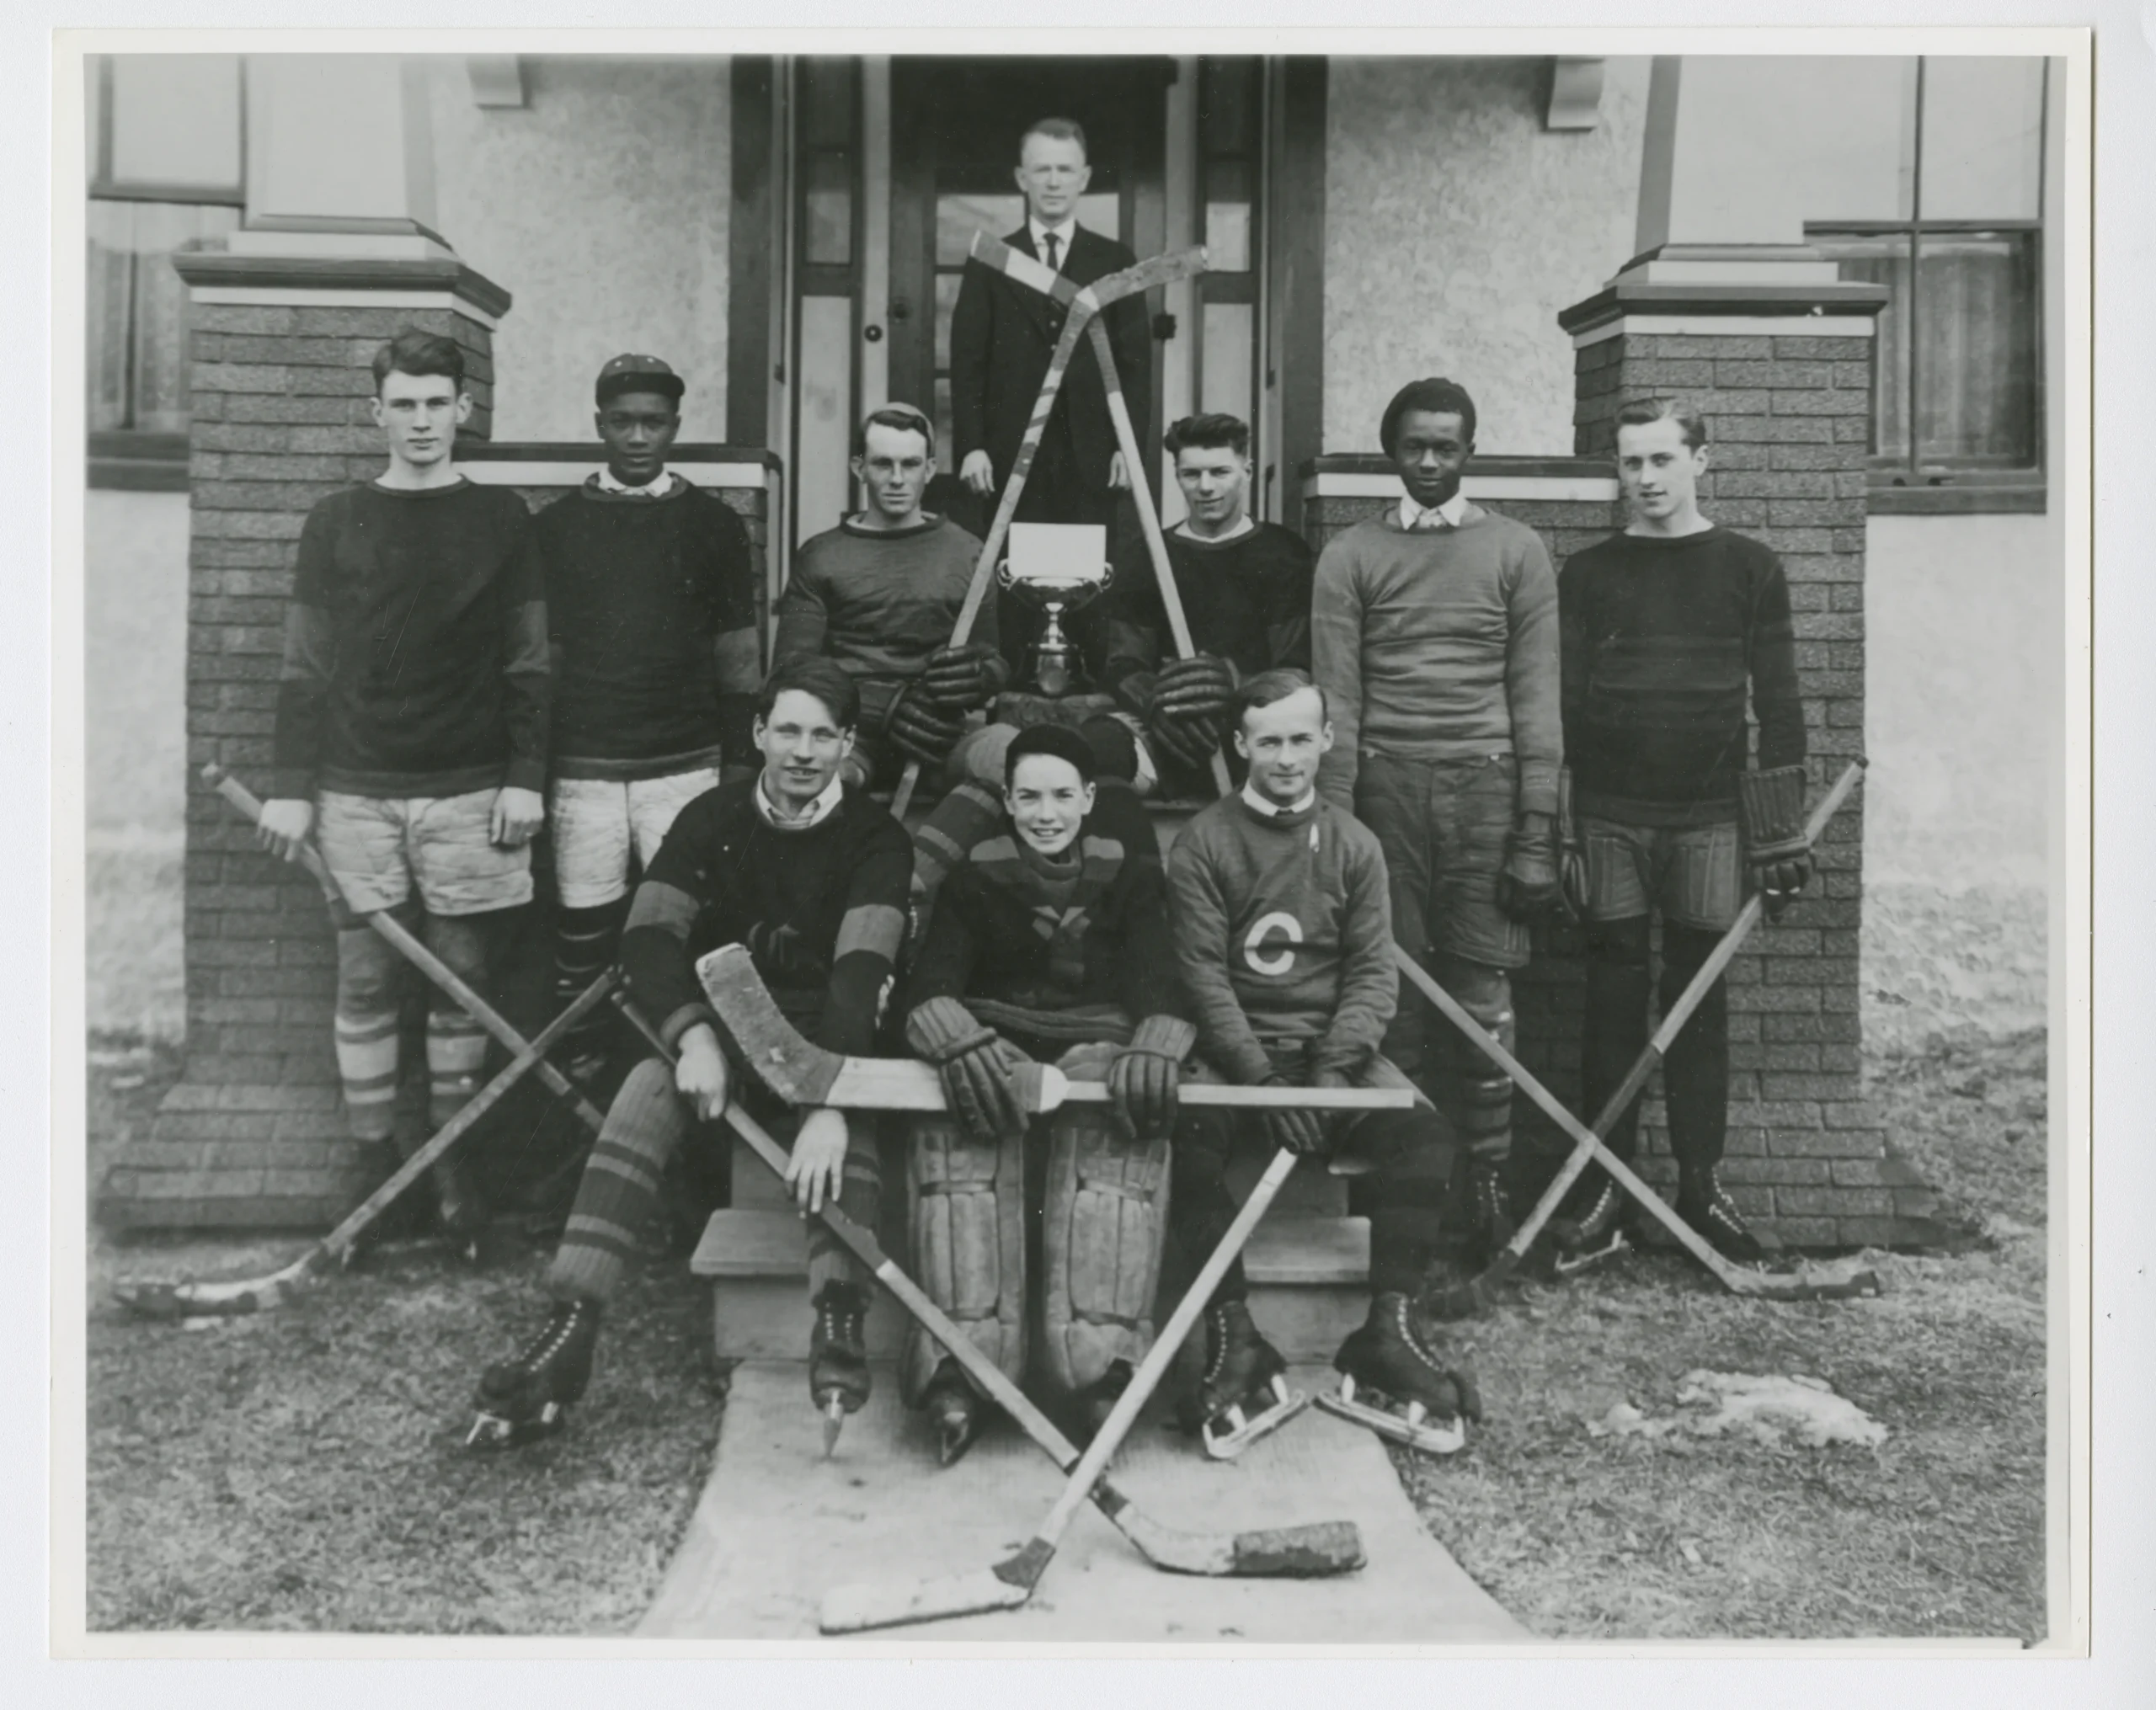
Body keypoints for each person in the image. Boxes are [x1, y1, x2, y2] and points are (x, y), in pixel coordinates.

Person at [467, 659, 912, 1447]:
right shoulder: (713, 815)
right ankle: (569, 1328)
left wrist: (827, 1103)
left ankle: (838, 1323)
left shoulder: (876, 837)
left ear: (846, 744)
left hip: (830, 1036)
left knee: (854, 1116)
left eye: (821, 735)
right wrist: (690, 1031)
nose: (802, 752)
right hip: (732, 1024)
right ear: (758, 733)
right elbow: (646, 933)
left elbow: (859, 974)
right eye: (787, 730)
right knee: (647, 1082)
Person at [256, 328, 549, 1252]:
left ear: (463, 410)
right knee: (369, 977)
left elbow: (533, 662)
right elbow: (304, 664)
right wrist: (291, 787)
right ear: (375, 410)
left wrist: (526, 776)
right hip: (357, 790)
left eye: (437, 403)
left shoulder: (504, 521)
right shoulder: (335, 520)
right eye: (404, 404)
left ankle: (453, 1163)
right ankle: (380, 1168)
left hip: (469, 790)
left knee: (462, 976)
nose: (421, 421)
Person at [1166, 671, 1479, 1453]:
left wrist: (1334, 1076)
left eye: (1301, 738)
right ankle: (1234, 1335)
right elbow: (1203, 976)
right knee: (1182, 1142)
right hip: (1238, 1059)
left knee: (1426, 1138)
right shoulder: (1205, 840)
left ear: (1327, 740)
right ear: (1240, 745)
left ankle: (1386, 1332)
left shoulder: (1355, 843)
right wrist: (1261, 1081)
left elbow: (1375, 971)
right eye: (1267, 740)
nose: (1285, 757)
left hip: (1331, 1057)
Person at [1552, 399, 1812, 1268]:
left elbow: (1778, 708)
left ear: (1703, 459)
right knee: (1611, 1004)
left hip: (1709, 823)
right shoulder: (1586, 574)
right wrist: (1557, 824)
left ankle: (1700, 1188)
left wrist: (1777, 835)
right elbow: (1558, 710)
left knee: (1699, 1005)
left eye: (1662, 459)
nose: (1646, 480)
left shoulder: (1750, 567)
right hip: (1608, 819)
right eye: (1630, 464)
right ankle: (1608, 1190)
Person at [1310, 376, 1562, 1264]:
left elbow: (1536, 700)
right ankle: (1408, 1169)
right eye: (1414, 446)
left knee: (1482, 988)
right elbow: (1335, 701)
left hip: (1485, 790)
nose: (1428, 462)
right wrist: (1332, 831)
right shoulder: (1350, 554)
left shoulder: (1516, 551)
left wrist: (1536, 830)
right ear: (1392, 450)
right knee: (1398, 996)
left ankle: (1485, 1180)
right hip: (1383, 789)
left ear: (1469, 451)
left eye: (1445, 447)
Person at [899, 724, 1191, 1463]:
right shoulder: (973, 877)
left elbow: (1163, 978)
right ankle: (960, 1369)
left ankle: (1102, 1366)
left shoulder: (1130, 875)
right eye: (1029, 796)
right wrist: (955, 1037)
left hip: (1096, 1040)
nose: (1047, 812)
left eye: (1063, 795)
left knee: (1118, 1128)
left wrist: (1156, 1041)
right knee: (963, 1124)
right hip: (997, 1040)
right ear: (1007, 799)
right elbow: (931, 984)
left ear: (1090, 798)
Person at [536, 354, 760, 1073]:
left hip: (684, 763)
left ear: (676, 427)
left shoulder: (714, 526)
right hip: (586, 770)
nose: (638, 437)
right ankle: (588, 1087)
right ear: (599, 424)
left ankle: (684, 1087)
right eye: (623, 422)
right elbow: (547, 663)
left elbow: (738, 659)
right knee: (585, 931)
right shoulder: (558, 527)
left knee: (687, 927)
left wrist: (736, 764)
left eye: (653, 423)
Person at [947, 115, 1151, 674]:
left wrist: (1126, 447)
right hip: (1012, 453)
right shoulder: (993, 257)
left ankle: (1085, 692)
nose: (1054, 181)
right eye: (1043, 169)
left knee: (1091, 575)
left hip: (1090, 453)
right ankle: (1014, 690)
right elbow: (968, 360)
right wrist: (971, 446)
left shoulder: (1114, 259)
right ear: (1022, 177)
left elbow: (1135, 366)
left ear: (1084, 178)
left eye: (1065, 169)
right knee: (1015, 574)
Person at [771, 404, 1006, 792]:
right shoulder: (822, 554)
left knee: (1010, 759)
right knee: (819, 778)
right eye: (883, 464)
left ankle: (932, 855)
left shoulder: (968, 552)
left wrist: (980, 677)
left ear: (929, 469)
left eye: (910, 465)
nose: (897, 479)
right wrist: (882, 706)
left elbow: (992, 657)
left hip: (939, 732)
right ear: (859, 468)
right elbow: (792, 669)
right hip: (850, 734)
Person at [1097, 412, 1314, 799]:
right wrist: (1160, 704)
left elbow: (1296, 667)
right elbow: (1124, 663)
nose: (1206, 487)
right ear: (1177, 476)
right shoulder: (1148, 554)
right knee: (1099, 748)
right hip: (1167, 728)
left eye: (1220, 472)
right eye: (1191, 474)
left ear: (1246, 472)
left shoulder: (1284, 554)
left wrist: (1234, 685)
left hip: (1255, 723)